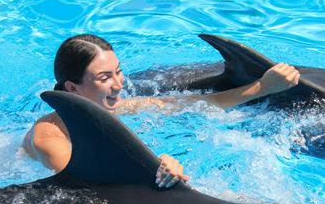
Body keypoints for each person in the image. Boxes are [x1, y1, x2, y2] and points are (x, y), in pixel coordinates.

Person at [23, 34, 300, 188]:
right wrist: (156, 165)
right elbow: (92, 184)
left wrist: (263, 87)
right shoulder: (48, 139)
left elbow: (193, 104)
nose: (119, 84)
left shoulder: (112, 109)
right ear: (72, 89)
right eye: (105, 78)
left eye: (118, 72)